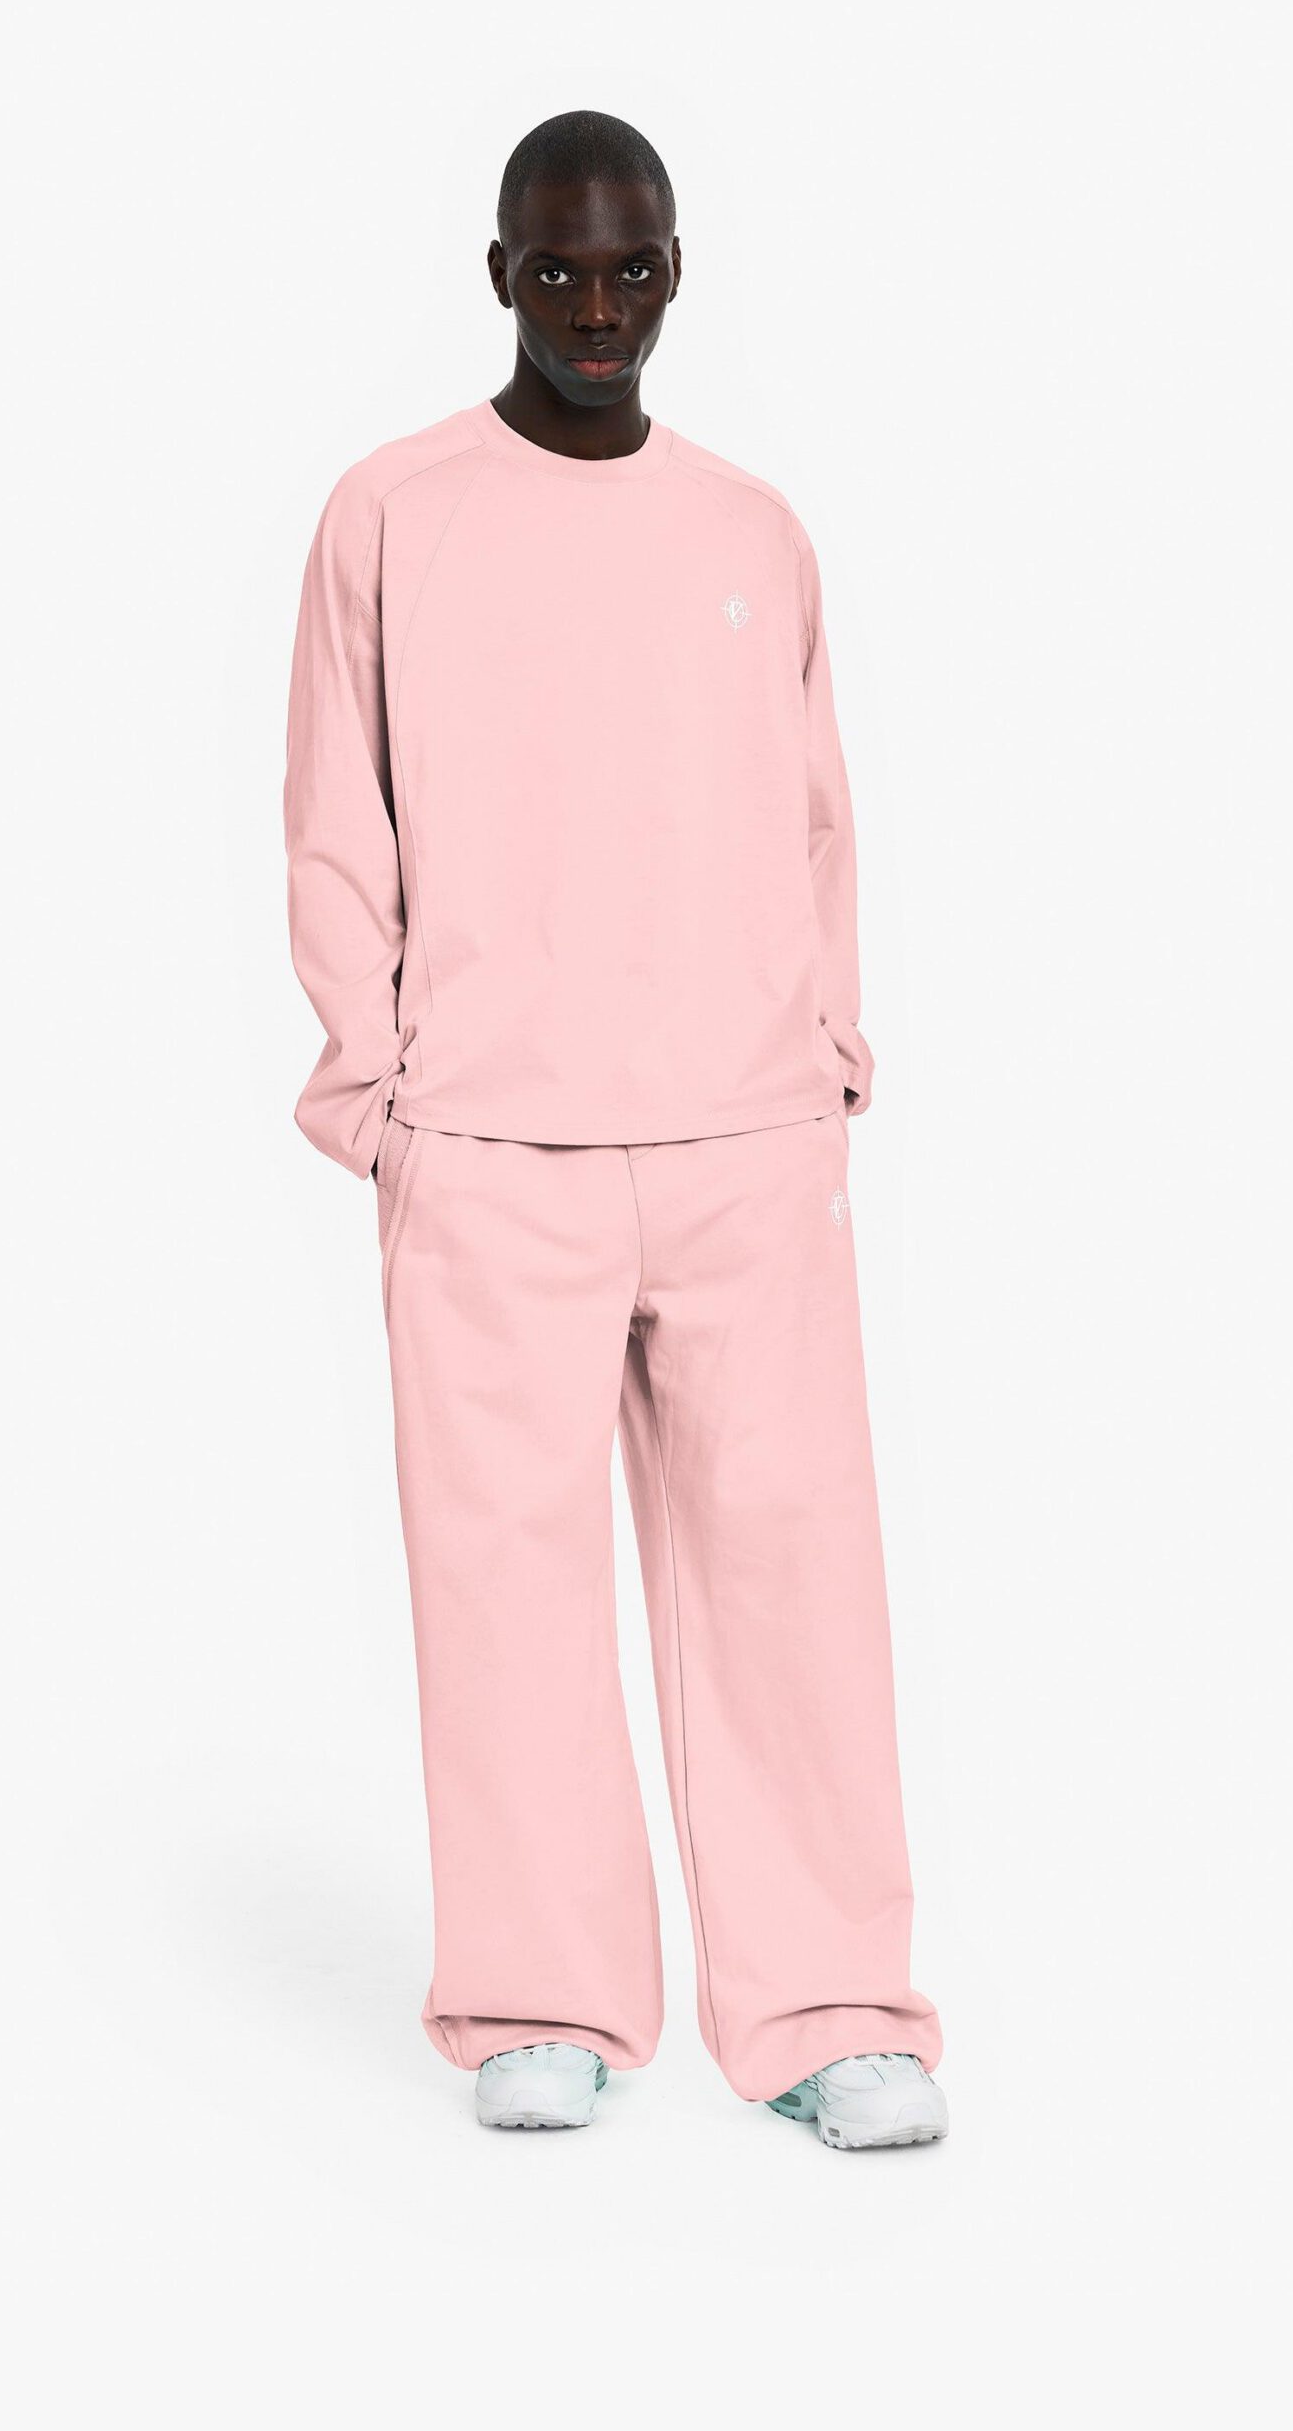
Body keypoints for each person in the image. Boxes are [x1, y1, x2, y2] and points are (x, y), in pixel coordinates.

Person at [283, 111, 945, 2150]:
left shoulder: (752, 528)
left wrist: (825, 1054)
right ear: (499, 273)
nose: (595, 304)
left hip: (747, 1136)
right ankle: (539, 1996)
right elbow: (333, 813)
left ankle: (833, 2008)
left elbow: (815, 811)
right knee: (504, 1584)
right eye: (557, 267)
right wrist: (378, 1093)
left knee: (796, 1582)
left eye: (629, 265)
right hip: (493, 1141)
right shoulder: (392, 513)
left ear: (675, 272)